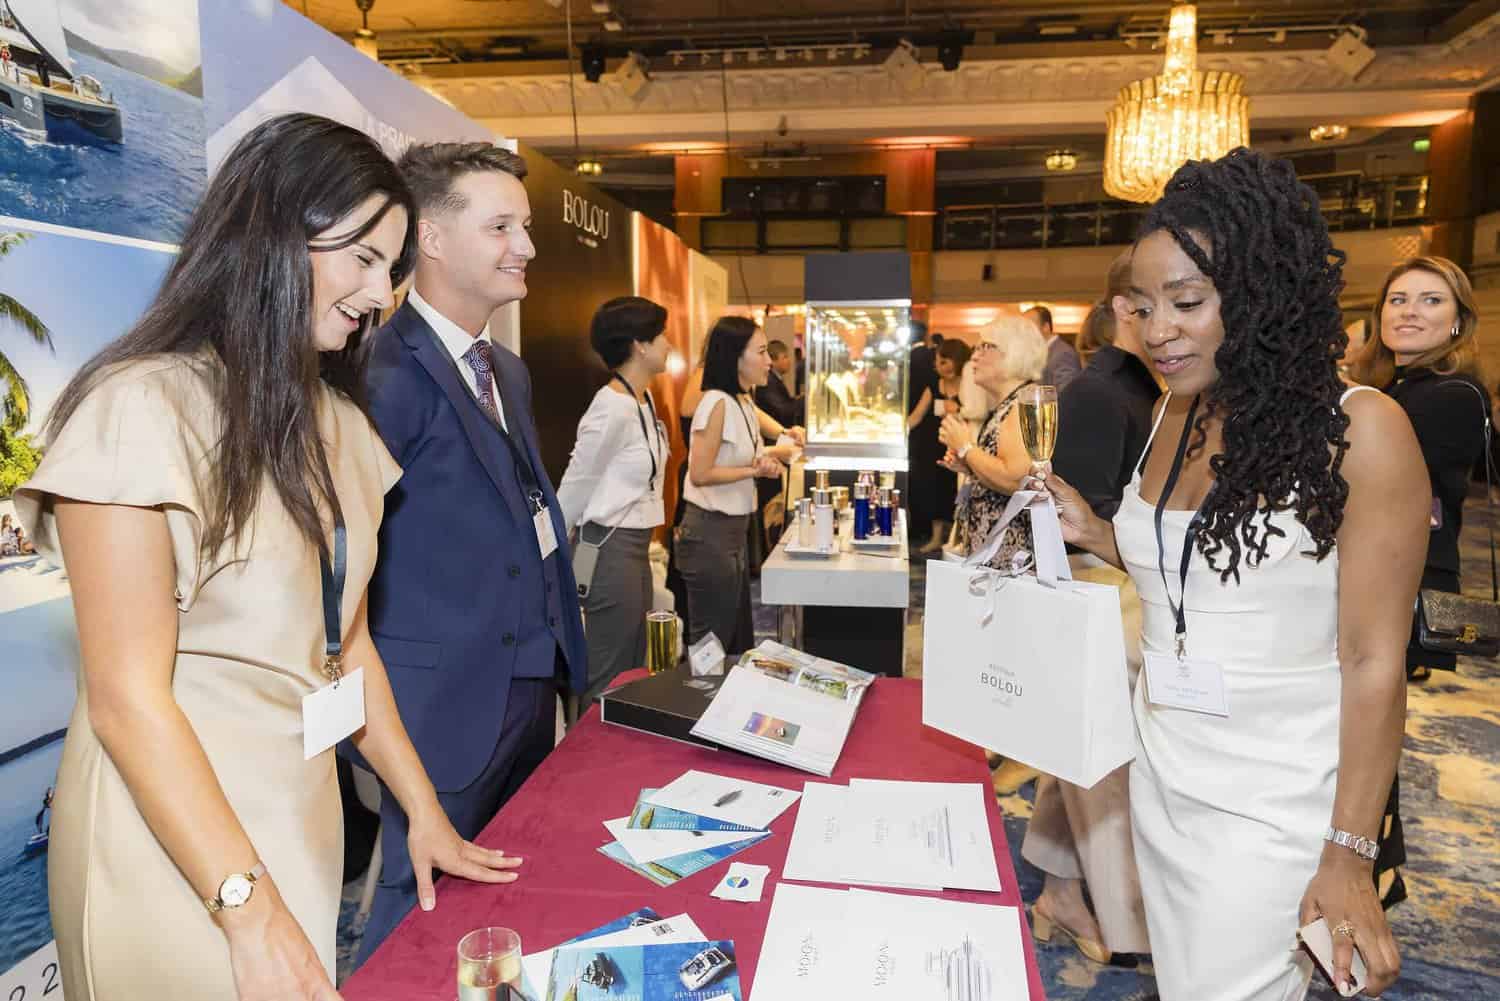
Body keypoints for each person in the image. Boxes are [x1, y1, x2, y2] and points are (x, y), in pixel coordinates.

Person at [14, 113, 516, 1001]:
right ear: (276, 230)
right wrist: (246, 906)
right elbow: (127, 700)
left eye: (390, 268)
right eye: (361, 257)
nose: (378, 293)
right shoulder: (142, 409)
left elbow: (347, 643)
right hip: (173, 847)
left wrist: (423, 809)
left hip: (296, 811)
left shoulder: (340, 422)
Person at [1041, 148, 1422, 1000]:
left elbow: (1373, 662)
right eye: (1141, 307)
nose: (1156, 330)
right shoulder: (1177, 412)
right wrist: (1098, 532)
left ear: (1259, 293)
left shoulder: (1362, 431)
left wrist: (1348, 857)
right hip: (1163, 766)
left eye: (1187, 302)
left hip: (1273, 800)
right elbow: (1201, 579)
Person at [355, 141, 588, 961]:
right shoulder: (383, 375)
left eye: (523, 225)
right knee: (410, 924)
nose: (525, 245)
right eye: (500, 226)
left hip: (531, 690)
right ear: (432, 238)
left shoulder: (508, 373)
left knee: (506, 900)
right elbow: (345, 566)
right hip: (439, 712)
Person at [1021, 251, 1158, 965]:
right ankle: (1123, 918)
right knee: (1101, 757)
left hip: (1128, 586)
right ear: (1122, 308)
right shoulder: (1102, 393)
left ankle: (1061, 892)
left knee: (1082, 753)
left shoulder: (1148, 390)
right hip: (1103, 590)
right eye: (1154, 301)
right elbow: (1077, 506)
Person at [1351, 256, 1489, 683]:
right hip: (1372, 567)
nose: (1409, 310)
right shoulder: (1393, 387)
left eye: (1431, 300)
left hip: (1404, 576)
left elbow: (1378, 485)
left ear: (1457, 323)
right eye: (1398, 299)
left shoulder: (1455, 394)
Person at [557, 296, 671, 704]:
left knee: (632, 664)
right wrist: (547, 555)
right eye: (661, 336)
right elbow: (574, 487)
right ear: (640, 345)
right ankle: (587, 761)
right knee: (608, 671)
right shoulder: (610, 408)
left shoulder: (642, 400)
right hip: (608, 550)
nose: (668, 345)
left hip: (635, 549)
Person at [677, 316, 796, 653]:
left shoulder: (741, 402)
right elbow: (700, 473)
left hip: (733, 531)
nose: (769, 360)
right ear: (735, 357)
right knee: (708, 638)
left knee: (727, 632)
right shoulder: (715, 403)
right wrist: (753, 471)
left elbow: (744, 455)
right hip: (709, 532)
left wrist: (766, 459)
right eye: (761, 352)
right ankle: (700, 700)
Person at [937, 316, 1047, 568]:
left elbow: (1016, 480)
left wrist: (967, 447)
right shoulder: (1009, 403)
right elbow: (1003, 470)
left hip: (1009, 560)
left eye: (985, 347)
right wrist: (970, 466)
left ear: (1013, 352)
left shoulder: (1023, 405)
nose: (974, 357)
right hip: (994, 554)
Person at [921, 338, 971, 553]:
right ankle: (936, 537)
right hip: (934, 443)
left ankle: (957, 536)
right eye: (938, 363)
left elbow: (975, 415)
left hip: (962, 445)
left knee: (958, 490)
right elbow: (918, 414)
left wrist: (957, 411)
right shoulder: (934, 384)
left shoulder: (970, 384)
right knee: (935, 489)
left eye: (945, 362)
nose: (940, 367)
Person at [905, 321, 938, 544]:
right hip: (931, 429)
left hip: (916, 427)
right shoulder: (929, 357)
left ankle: (918, 529)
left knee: (918, 480)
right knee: (927, 478)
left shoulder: (910, 360)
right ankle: (923, 528)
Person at [1027, 304, 1081, 392]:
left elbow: (1066, 395)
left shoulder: (1063, 354)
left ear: (1046, 327)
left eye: (1029, 327)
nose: (1024, 332)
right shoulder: (1040, 353)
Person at [754, 339, 802, 430]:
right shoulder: (768, 381)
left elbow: (784, 402)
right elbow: (783, 411)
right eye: (785, 357)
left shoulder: (775, 378)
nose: (789, 361)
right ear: (773, 361)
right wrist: (802, 401)